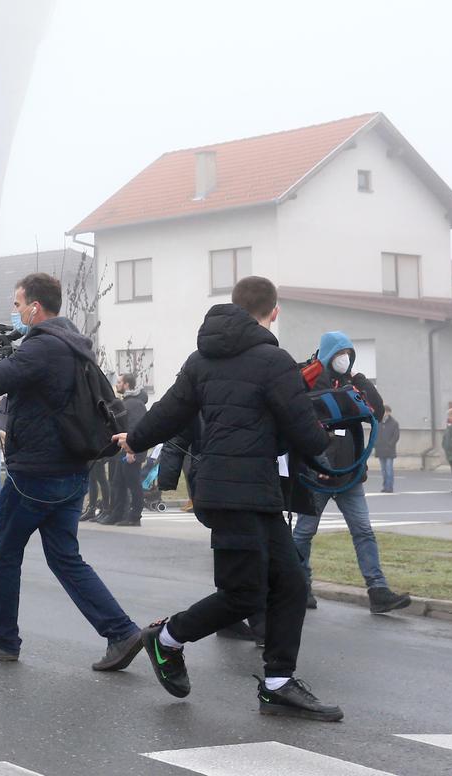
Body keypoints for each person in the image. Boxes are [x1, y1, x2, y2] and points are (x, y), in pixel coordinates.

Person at [116, 275, 345, 721]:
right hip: (236, 491)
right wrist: (327, 442)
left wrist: (136, 438)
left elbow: (168, 411)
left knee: (290, 583)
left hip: (242, 491)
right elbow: (303, 429)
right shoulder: (274, 361)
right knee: (243, 596)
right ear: (273, 311)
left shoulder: (202, 359)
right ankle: (165, 641)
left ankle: (278, 684)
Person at [0, 272, 143, 673]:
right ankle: (121, 632)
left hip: (36, 472)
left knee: (5, 555)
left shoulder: (43, 348)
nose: (16, 312)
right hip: (71, 470)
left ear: (35, 307)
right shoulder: (72, 344)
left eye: (18, 305)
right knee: (65, 557)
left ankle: (4, 639)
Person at [289, 332, 411, 615]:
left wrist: (359, 377)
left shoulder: (351, 384)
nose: (345, 359)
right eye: (341, 353)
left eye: (349, 354)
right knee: (304, 533)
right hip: (316, 475)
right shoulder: (306, 379)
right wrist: (312, 466)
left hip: (350, 475)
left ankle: (378, 591)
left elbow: (377, 411)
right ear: (328, 354)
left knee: (363, 531)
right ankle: (299, 586)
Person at [104, 375, 147, 526]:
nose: (117, 385)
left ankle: (135, 516)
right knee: (118, 482)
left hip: (132, 451)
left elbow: (135, 428)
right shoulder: (127, 402)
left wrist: (132, 451)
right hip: (125, 448)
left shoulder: (135, 404)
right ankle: (117, 514)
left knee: (133, 484)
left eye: (119, 382)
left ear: (127, 384)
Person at [375, 406, 400, 493]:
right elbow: (375, 434)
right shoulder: (378, 422)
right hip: (380, 449)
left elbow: (396, 436)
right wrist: (375, 444)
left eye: (385, 412)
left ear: (389, 412)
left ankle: (389, 487)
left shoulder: (394, 423)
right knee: (383, 470)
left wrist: (390, 444)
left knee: (389, 469)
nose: (384, 413)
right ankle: (385, 486)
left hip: (389, 450)